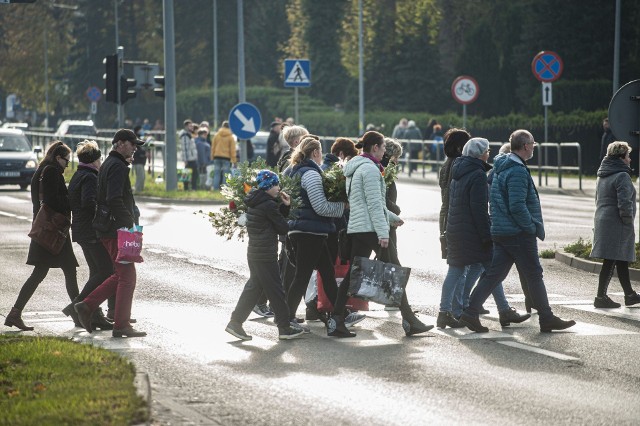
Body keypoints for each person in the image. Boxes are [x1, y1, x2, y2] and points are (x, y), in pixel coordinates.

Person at [459, 129, 576, 333]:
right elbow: (517, 205)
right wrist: (530, 226)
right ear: (525, 146)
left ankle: (470, 312)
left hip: (502, 231)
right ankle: (546, 317)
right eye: (532, 143)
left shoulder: (501, 167)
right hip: (518, 233)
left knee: (494, 274)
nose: (534, 147)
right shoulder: (517, 171)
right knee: (534, 275)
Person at [336, 131, 433, 337]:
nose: (384, 152)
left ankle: (336, 319)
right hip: (371, 229)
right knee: (394, 271)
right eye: (382, 148)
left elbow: (368, 203)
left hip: (358, 228)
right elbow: (373, 204)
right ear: (375, 148)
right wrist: (383, 232)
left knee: (353, 275)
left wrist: (391, 217)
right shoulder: (370, 170)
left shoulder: (354, 168)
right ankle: (409, 320)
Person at [438, 138, 530, 329]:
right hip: (471, 231)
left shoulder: (458, 170)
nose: (489, 153)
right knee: (489, 270)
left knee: (461, 270)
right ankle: (482, 311)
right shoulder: (478, 174)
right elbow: (478, 209)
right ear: (480, 153)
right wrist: (486, 235)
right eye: (487, 150)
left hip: (456, 229)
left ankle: (446, 312)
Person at [74, 129, 147, 338]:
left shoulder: (108, 163)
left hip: (107, 228)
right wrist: (129, 225)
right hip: (117, 229)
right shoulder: (118, 167)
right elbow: (114, 199)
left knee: (121, 275)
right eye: (132, 144)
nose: (134, 148)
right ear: (120, 143)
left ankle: (87, 306)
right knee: (127, 276)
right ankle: (119, 324)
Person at [283, 135, 357, 335]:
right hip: (310, 232)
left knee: (326, 272)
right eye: (320, 152)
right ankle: (287, 318)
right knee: (302, 276)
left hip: (302, 230)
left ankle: (340, 313)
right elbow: (321, 207)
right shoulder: (311, 174)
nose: (321, 156)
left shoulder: (291, 171)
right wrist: (343, 206)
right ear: (315, 152)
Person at [4, 141, 80, 331]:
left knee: (42, 273)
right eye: (66, 160)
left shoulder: (40, 171)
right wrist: (70, 202)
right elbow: (53, 201)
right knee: (69, 271)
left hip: (44, 230)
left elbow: (38, 203)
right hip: (54, 231)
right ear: (57, 157)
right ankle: (80, 313)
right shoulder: (52, 172)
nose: (67, 165)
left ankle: (15, 313)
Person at [225, 170, 305, 341]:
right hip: (265, 254)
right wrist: (287, 211)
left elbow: (273, 223)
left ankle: (235, 323)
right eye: (275, 184)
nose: (278, 188)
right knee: (276, 290)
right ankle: (284, 328)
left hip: (255, 253)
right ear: (268, 186)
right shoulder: (268, 205)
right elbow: (282, 227)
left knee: (254, 288)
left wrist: (284, 206)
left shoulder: (255, 201)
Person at [66, 140, 114, 330]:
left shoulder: (78, 175)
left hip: (80, 230)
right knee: (107, 271)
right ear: (95, 160)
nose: (101, 162)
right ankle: (77, 306)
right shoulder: (91, 177)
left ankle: (93, 313)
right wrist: (101, 212)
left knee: (96, 271)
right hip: (91, 230)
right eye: (100, 159)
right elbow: (88, 202)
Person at [590, 141, 640, 308]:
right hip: (617, 222)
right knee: (611, 260)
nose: (630, 160)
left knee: (620, 259)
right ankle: (600, 297)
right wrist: (628, 221)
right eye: (628, 156)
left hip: (603, 219)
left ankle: (629, 295)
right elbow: (624, 203)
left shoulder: (602, 174)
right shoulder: (622, 176)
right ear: (621, 158)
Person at [210, 121, 236, 190]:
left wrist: (212, 156)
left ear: (222, 126)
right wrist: (234, 160)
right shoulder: (231, 137)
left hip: (217, 156)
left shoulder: (216, 135)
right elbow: (232, 150)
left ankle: (215, 189)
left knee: (216, 173)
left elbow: (213, 147)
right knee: (226, 174)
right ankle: (224, 189)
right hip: (226, 157)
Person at [180, 119, 199, 190]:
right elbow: (185, 148)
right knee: (188, 174)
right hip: (189, 159)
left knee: (193, 174)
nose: (192, 127)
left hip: (192, 158)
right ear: (186, 126)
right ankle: (187, 188)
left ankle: (191, 188)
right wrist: (185, 160)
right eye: (190, 126)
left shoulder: (189, 135)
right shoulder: (185, 135)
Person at [131, 126, 148, 193]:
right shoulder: (135, 140)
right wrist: (144, 153)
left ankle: (140, 189)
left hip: (140, 161)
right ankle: (138, 190)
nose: (142, 131)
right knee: (140, 177)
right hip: (137, 161)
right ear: (138, 131)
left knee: (142, 176)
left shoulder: (139, 138)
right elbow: (136, 150)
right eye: (141, 129)